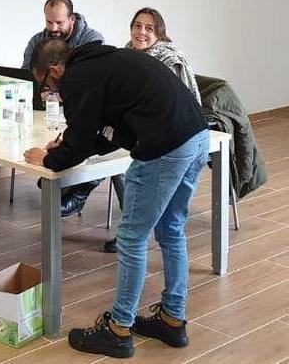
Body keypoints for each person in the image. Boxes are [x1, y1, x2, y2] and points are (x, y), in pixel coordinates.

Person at [24, 39, 209, 359]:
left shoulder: (78, 79)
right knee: (171, 230)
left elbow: (81, 142)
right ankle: (172, 320)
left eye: (44, 84)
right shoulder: (104, 61)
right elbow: (112, 131)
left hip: (165, 146)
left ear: (54, 70)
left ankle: (118, 330)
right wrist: (68, 145)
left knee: (131, 239)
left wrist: (48, 159)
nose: (48, 92)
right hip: (196, 135)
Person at [100, 7, 203, 253]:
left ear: (160, 33)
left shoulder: (170, 59)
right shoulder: (125, 55)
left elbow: (172, 108)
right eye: (137, 26)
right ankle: (131, 227)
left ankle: (134, 231)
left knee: (170, 226)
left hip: (172, 138)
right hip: (136, 132)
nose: (141, 32)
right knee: (105, 151)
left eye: (149, 28)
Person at [22, 0, 118, 217]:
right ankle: (65, 184)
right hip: (56, 111)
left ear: (72, 19)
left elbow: (85, 125)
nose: (53, 28)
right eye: (48, 22)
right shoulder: (38, 41)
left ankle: (78, 193)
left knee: (115, 149)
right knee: (100, 142)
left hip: (103, 115)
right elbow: (28, 76)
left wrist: (48, 159)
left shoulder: (91, 44)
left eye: (59, 22)